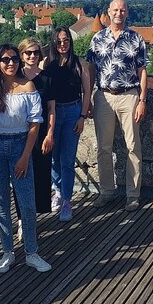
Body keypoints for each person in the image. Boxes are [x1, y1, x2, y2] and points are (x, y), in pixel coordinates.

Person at [0, 44, 52, 273]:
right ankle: (7, 252)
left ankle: (31, 252)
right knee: (1, 202)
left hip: (19, 144)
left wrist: (25, 156)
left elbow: (35, 124)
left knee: (27, 202)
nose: (11, 63)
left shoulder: (28, 86)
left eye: (14, 59)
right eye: (5, 60)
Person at [86, 0, 147, 212]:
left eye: (122, 10)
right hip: (103, 96)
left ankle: (133, 195)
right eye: (115, 10)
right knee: (103, 147)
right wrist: (88, 98)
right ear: (108, 12)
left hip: (129, 95)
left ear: (126, 13)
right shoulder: (97, 38)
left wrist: (142, 99)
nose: (118, 13)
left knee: (133, 146)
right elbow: (90, 69)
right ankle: (106, 191)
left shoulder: (135, 38)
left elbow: (142, 70)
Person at [46, 26, 92, 222]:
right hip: (54, 112)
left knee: (67, 159)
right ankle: (57, 190)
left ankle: (66, 200)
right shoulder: (48, 63)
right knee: (53, 157)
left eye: (66, 40)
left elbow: (87, 92)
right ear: (53, 43)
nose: (63, 44)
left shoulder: (79, 63)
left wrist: (82, 116)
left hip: (73, 111)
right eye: (59, 41)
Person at [13, 38, 55, 237]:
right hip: (20, 131)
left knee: (40, 174)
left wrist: (50, 134)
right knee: (20, 174)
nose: (32, 56)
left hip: (42, 131)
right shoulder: (16, 76)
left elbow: (52, 108)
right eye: (28, 53)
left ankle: (32, 216)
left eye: (36, 52)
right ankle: (22, 218)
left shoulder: (46, 77)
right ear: (21, 55)